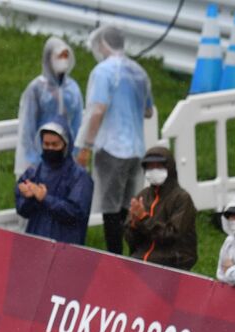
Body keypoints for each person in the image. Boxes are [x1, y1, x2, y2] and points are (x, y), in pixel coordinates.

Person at [76, 25, 154, 255]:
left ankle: (115, 257)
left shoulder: (103, 72)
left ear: (102, 44)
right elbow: (148, 111)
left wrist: (86, 145)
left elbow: (97, 109)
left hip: (112, 147)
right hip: (137, 149)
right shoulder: (139, 72)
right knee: (129, 205)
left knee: (111, 208)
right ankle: (134, 255)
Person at [15, 122, 94, 246]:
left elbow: (75, 213)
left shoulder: (79, 176)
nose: (50, 148)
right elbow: (22, 210)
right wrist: (28, 197)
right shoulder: (33, 173)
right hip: (37, 243)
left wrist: (45, 198)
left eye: (55, 144)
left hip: (66, 247)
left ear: (65, 145)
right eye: (46, 144)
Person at [17, 37, 83, 178]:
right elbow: (28, 126)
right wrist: (32, 160)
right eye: (59, 56)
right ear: (49, 58)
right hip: (43, 154)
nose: (63, 60)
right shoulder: (37, 88)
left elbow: (78, 123)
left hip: (66, 156)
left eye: (66, 56)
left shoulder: (72, 88)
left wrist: (76, 152)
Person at [123, 145, 197, 270]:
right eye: (150, 166)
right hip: (141, 260)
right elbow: (131, 240)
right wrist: (134, 225)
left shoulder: (182, 199)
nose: (154, 170)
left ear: (169, 168)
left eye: (159, 166)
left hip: (172, 264)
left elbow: (172, 235)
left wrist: (144, 219)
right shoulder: (143, 196)